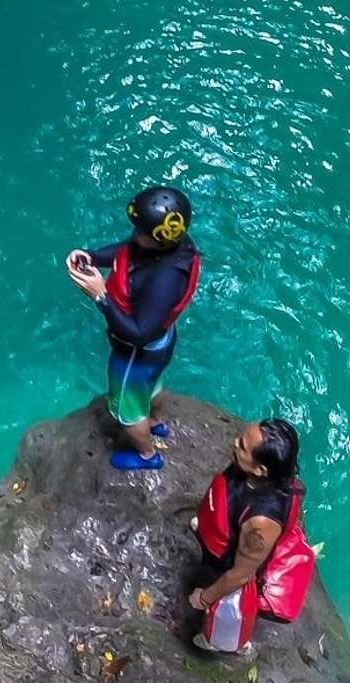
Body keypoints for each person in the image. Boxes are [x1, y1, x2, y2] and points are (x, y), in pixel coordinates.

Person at [65, 186, 202, 471]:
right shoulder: (171, 244)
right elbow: (127, 251)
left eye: (141, 231)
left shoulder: (165, 279)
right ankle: (155, 421)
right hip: (161, 343)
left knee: (126, 411)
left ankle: (147, 454)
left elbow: (140, 333)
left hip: (137, 352)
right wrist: (91, 257)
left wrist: (100, 295)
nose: (135, 235)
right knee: (152, 384)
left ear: (158, 239)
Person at [190, 418, 316, 654]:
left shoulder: (260, 524)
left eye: (243, 446)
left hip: (239, 567)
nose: (234, 442)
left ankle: (227, 646)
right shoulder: (253, 474)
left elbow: (240, 574)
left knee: (225, 622)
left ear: (260, 470)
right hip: (232, 531)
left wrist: (205, 598)